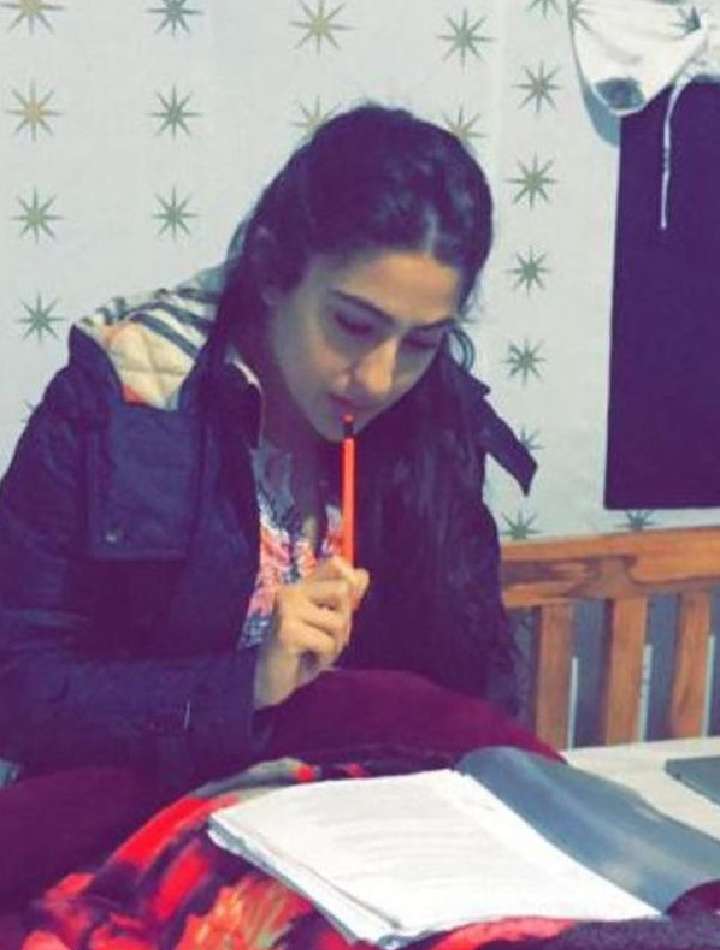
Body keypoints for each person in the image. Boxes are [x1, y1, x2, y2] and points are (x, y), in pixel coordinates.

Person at [0, 103, 535, 803]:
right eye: (352, 325)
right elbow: (19, 688)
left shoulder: (435, 419)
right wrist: (245, 683)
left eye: (421, 342)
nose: (378, 378)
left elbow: (475, 684)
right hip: (131, 816)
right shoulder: (123, 399)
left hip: (353, 823)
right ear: (274, 269)